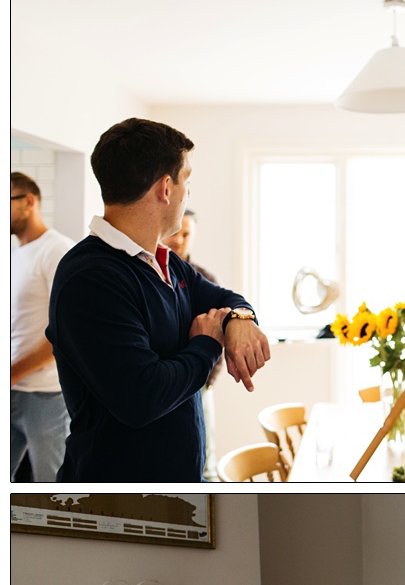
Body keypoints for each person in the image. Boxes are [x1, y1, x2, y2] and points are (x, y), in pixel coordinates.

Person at [46, 118, 270, 481]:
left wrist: (240, 318)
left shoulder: (166, 262)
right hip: (118, 501)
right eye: (187, 180)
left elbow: (224, 297)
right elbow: (141, 397)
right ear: (166, 188)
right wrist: (207, 344)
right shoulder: (91, 278)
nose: (188, 193)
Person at [10, 172, 74, 481]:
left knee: (51, 489)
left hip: (45, 396)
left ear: (28, 202)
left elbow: (64, 331)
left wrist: (10, 373)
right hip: (12, 389)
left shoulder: (58, 251)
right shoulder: (15, 254)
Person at [161, 208, 223, 481]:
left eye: (186, 234)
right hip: (168, 378)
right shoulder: (152, 275)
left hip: (201, 379)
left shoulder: (204, 278)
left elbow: (221, 327)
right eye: (176, 232)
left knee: (205, 452)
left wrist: (209, 379)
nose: (180, 240)